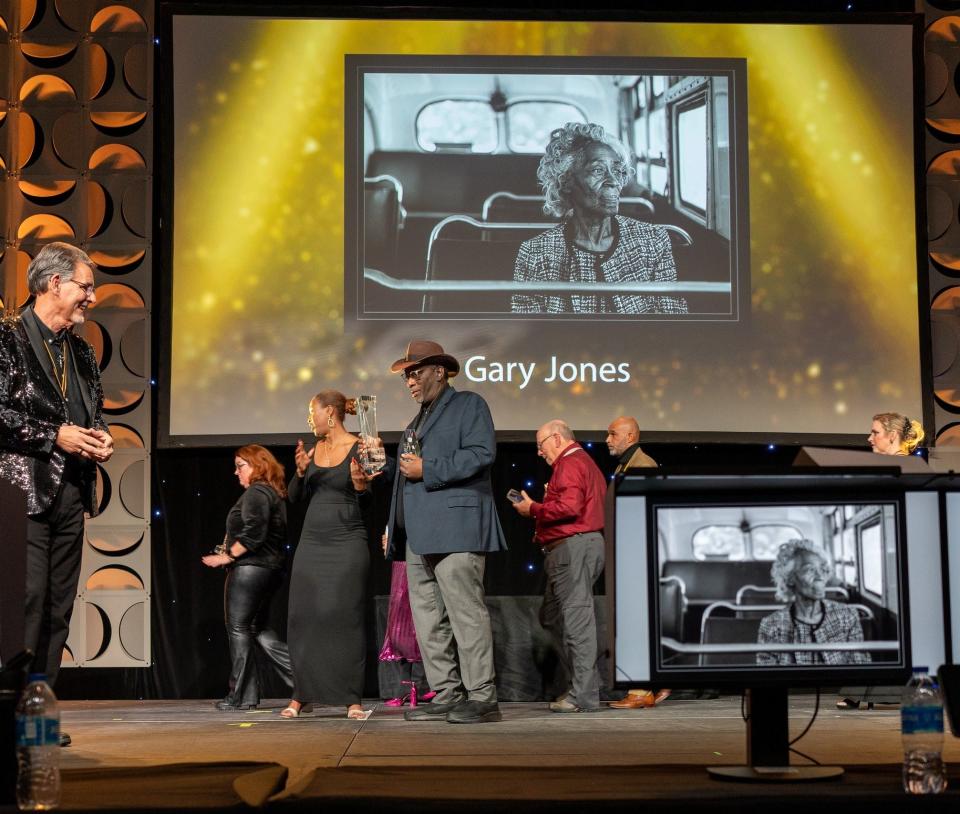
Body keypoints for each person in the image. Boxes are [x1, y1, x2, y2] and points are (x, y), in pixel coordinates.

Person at [0, 242, 114, 747]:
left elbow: (93, 412)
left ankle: (39, 720)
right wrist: (55, 435)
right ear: (54, 284)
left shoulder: (83, 351)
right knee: (25, 603)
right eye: (85, 286)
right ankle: (10, 718)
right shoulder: (6, 338)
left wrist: (99, 435)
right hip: (20, 493)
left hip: (70, 491)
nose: (92, 297)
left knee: (57, 610)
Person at [384, 340, 506, 724]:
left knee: (465, 615)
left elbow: (481, 453)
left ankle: (483, 696)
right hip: (419, 536)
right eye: (406, 376)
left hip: (457, 529)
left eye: (415, 372)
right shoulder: (414, 423)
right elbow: (407, 476)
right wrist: (392, 523)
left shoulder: (469, 405)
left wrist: (429, 468)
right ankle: (448, 692)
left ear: (440, 370)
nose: (410, 382)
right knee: (428, 621)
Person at [511, 122, 688, 316]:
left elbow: (672, 326)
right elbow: (530, 335)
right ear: (566, 180)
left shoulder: (653, 241)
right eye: (598, 170)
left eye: (618, 171)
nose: (613, 181)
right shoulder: (535, 253)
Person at [283, 391, 374, 720]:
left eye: (313, 412)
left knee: (344, 616)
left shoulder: (359, 447)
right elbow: (294, 498)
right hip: (312, 543)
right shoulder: (314, 449)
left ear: (331, 414)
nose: (311, 419)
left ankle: (352, 698)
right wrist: (300, 472)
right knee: (303, 616)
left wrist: (361, 487)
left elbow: (369, 503)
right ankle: (301, 695)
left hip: (347, 540)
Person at [511, 420, 608, 713]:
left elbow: (569, 508)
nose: (540, 453)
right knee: (553, 617)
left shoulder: (571, 463)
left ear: (556, 439)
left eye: (541, 445)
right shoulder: (578, 463)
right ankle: (586, 683)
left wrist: (534, 510)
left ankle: (584, 695)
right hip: (573, 547)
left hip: (574, 549)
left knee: (576, 620)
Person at [202, 445, 294, 710]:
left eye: (241, 465)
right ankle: (302, 684)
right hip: (269, 569)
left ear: (259, 466)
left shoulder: (257, 492)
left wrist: (229, 555)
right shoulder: (272, 493)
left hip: (251, 569)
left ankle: (240, 696)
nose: (235, 472)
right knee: (257, 629)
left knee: (239, 629)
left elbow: (254, 533)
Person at [603, 416, 669, 709]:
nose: (607, 439)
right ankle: (657, 682)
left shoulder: (642, 465)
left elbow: (642, 513)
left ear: (630, 436)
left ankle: (641, 692)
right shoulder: (625, 465)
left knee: (638, 622)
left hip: (639, 558)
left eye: (613, 434)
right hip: (632, 556)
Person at [756, 539, 870, 666]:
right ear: (790, 579)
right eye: (810, 570)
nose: (820, 576)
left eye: (822, 569)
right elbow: (768, 677)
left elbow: (859, 669)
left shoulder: (848, 616)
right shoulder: (771, 625)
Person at [378, 561, 436, 706]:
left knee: (421, 624)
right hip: (406, 559)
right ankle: (410, 687)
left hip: (423, 558)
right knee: (402, 626)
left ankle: (419, 686)